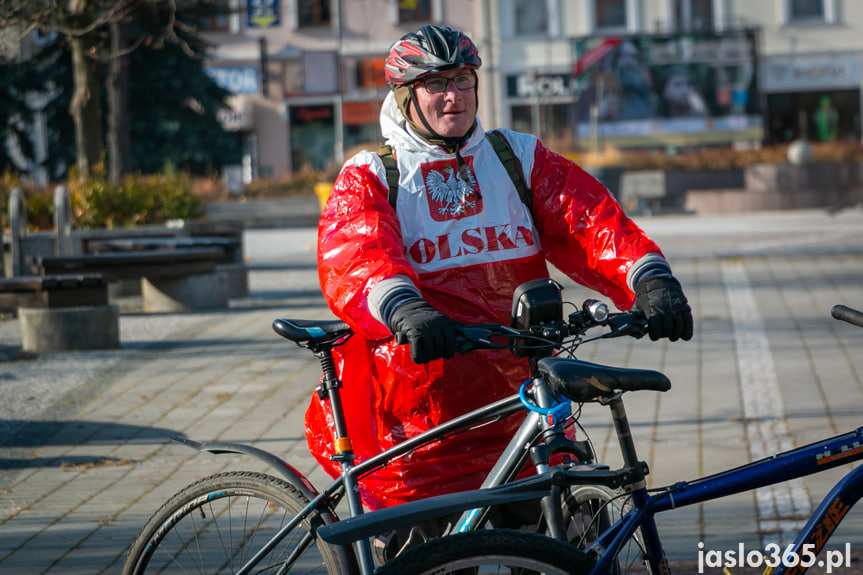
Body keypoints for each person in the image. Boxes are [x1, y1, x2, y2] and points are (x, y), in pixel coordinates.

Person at [307, 22, 692, 523]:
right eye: (436, 84)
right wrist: (406, 309)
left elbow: (588, 220)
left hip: (523, 406)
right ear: (405, 95)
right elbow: (357, 254)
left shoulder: (515, 158)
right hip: (423, 429)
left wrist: (650, 279)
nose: (454, 97)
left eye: (463, 81)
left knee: (567, 542)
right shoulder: (375, 173)